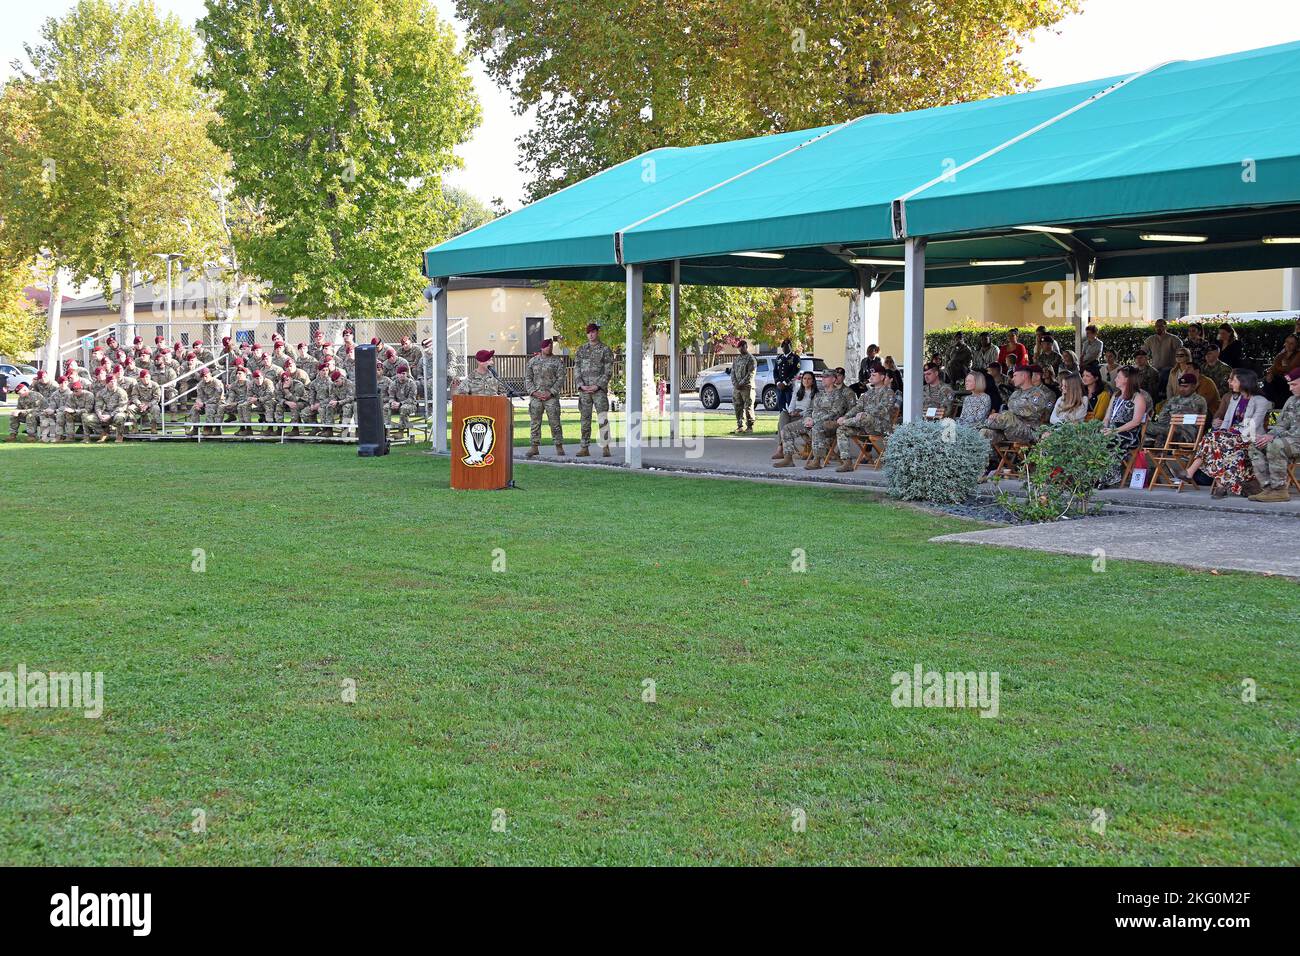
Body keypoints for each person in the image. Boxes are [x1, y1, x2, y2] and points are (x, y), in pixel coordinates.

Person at [1173, 369, 1272, 497]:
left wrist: (1227, 433)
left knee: (1213, 439)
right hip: (1229, 440)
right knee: (1216, 442)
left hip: (1249, 438)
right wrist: (1221, 430)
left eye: (1234, 380)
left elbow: (1253, 425)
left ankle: (1193, 474)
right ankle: (1219, 486)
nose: (1230, 382)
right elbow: (1226, 421)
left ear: (1244, 382)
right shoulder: (1234, 399)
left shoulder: (1261, 401)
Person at [1247, 367, 1300, 502]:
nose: (1290, 389)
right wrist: (1267, 436)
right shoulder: (1292, 401)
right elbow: (1280, 424)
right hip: (1290, 441)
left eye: (1294, 384)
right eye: (1289, 385)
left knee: (1276, 445)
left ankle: (1280, 489)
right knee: (1256, 445)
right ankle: (1268, 488)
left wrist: (1274, 437)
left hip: (1296, 440)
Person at [831, 366, 897, 471]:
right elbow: (857, 408)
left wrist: (863, 414)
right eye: (871, 375)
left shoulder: (888, 393)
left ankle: (840, 423)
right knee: (842, 430)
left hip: (880, 426)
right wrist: (845, 416)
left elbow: (882, 410)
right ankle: (847, 462)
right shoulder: (867, 393)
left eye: (874, 375)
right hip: (863, 426)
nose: (871, 377)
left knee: (865, 417)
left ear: (882, 377)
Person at [1099, 366, 1151, 486]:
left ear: (1127, 380)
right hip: (1112, 429)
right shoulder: (1116, 395)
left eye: (1118, 377)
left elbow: (1136, 422)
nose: (1115, 379)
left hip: (1129, 433)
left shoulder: (1138, 397)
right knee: (1094, 438)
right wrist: (1103, 428)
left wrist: (1114, 431)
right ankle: (1094, 475)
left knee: (1111, 441)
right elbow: (1107, 417)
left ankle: (1109, 477)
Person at [981, 365, 1053, 444]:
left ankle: (982, 424)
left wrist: (1006, 414)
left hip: (1028, 431)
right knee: (984, 433)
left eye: (1015, 376)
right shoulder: (1015, 393)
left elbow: (1029, 412)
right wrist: (999, 415)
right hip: (1009, 429)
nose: (1012, 379)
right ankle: (991, 455)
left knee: (1008, 416)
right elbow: (1010, 409)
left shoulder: (1038, 393)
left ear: (1024, 376)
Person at [573, 323, 614, 456]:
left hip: (599, 391)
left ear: (597, 333)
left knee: (602, 418)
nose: (591, 335)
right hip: (584, 390)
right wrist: (581, 385)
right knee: (585, 419)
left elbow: (608, 371)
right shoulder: (581, 350)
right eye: (588, 332)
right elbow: (577, 369)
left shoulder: (605, 350)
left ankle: (605, 446)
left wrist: (598, 385)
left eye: (593, 332)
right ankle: (584, 447)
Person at [524, 337, 566, 457]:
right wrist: (534, 392)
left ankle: (559, 446)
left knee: (555, 422)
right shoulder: (532, 361)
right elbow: (528, 378)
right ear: (542, 347)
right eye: (547, 346)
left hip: (551, 397)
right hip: (536, 397)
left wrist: (551, 392)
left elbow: (561, 378)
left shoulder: (557, 361)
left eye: (551, 346)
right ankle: (534, 447)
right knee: (535, 423)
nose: (550, 348)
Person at [1143, 373, 1207, 447]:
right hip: (1167, 429)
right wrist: (1172, 421)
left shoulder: (1199, 401)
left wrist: (1176, 420)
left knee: (1156, 430)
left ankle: (1154, 441)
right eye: (1180, 386)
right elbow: (1162, 417)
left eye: (1185, 386)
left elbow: (1199, 420)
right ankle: (1152, 441)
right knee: (1145, 425)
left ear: (1193, 386)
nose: (1182, 389)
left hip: (1185, 433)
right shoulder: (1173, 400)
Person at [773, 371, 818, 467]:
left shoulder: (816, 394)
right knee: (783, 414)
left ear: (813, 381)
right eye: (804, 378)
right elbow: (792, 404)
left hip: (805, 416)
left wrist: (799, 413)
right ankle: (782, 449)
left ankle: (780, 448)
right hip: (794, 415)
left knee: (782, 425)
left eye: (809, 379)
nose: (806, 381)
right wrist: (791, 411)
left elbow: (812, 409)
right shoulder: (797, 390)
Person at [1143, 319, 1183, 393]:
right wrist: (1146, 364)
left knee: (1164, 373)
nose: (1158, 328)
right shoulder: (1150, 340)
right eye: (1156, 326)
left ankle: (1161, 394)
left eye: (1161, 326)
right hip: (1155, 368)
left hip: (1170, 369)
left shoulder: (1173, 339)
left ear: (1166, 327)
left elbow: (1181, 353)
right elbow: (1143, 353)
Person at [773, 338, 800, 441]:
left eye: (787, 346)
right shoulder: (779, 358)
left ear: (790, 347)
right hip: (780, 387)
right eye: (783, 347)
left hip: (789, 387)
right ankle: (781, 426)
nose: (785, 348)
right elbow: (775, 371)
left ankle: (790, 427)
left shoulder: (795, 358)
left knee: (790, 407)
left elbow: (796, 371)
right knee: (781, 407)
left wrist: (785, 383)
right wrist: (778, 382)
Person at [90, 374, 130, 443]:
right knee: (88, 419)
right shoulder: (101, 393)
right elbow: (98, 406)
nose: (113, 383)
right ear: (107, 383)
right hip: (106, 412)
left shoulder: (121, 392)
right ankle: (104, 433)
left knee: (120, 417)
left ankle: (119, 436)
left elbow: (122, 407)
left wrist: (110, 415)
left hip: (118, 412)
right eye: (111, 381)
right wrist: (100, 415)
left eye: (114, 381)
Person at [1264, 333, 1300, 407]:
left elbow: (1290, 369)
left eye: (1291, 343)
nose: (1288, 345)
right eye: (1287, 342)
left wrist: (1280, 368)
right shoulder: (1281, 355)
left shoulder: (1298, 355)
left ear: (1296, 345)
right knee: (1268, 379)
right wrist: (1271, 372)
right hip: (1281, 377)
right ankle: (1271, 402)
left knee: (1279, 380)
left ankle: (1278, 404)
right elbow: (1274, 367)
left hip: (1292, 380)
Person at [188, 367, 225, 436]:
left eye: (206, 376)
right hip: (204, 404)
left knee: (209, 407)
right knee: (194, 408)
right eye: (203, 377)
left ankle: (209, 427)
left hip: (218, 403)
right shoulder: (200, 384)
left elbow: (217, 397)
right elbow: (199, 396)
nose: (204, 378)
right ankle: (195, 428)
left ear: (210, 374)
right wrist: (198, 403)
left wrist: (204, 404)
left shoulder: (217, 383)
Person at [729, 339, 757, 433]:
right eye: (739, 348)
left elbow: (751, 373)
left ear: (746, 347)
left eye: (742, 347)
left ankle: (749, 426)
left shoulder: (751, 359)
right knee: (737, 406)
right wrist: (735, 384)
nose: (741, 349)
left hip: (747, 388)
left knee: (748, 407)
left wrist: (741, 383)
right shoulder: (737, 359)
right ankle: (739, 425)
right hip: (737, 388)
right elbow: (732, 372)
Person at [127, 368, 162, 435]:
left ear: (150, 376)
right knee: (130, 408)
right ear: (140, 378)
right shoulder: (137, 386)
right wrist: (139, 404)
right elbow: (134, 396)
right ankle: (134, 427)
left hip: (151, 404)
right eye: (143, 377)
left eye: (147, 377)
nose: (145, 379)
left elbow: (156, 398)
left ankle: (153, 427)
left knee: (156, 408)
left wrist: (148, 405)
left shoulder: (155, 385)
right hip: (140, 404)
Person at [322, 368, 355, 437]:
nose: (335, 383)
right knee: (329, 406)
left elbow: (350, 398)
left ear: (342, 378)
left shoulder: (349, 384)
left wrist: (338, 402)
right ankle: (329, 429)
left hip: (348, 403)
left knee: (347, 407)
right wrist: (333, 401)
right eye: (334, 382)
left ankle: (345, 430)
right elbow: (332, 395)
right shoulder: (333, 385)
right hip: (338, 403)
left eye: (337, 381)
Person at [275, 371, 310, 436]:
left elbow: (295, 399)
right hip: (287, 402)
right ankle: (280, 428)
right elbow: (277, 397)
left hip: (302, 402)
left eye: (287, 380)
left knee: (294, 406)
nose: (285, 382)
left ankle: (295, 429)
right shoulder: (279, 385)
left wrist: (286, 390)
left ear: (291, 378)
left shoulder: (298, 384)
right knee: (279, 406)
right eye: (283, 380)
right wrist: (286, 402)